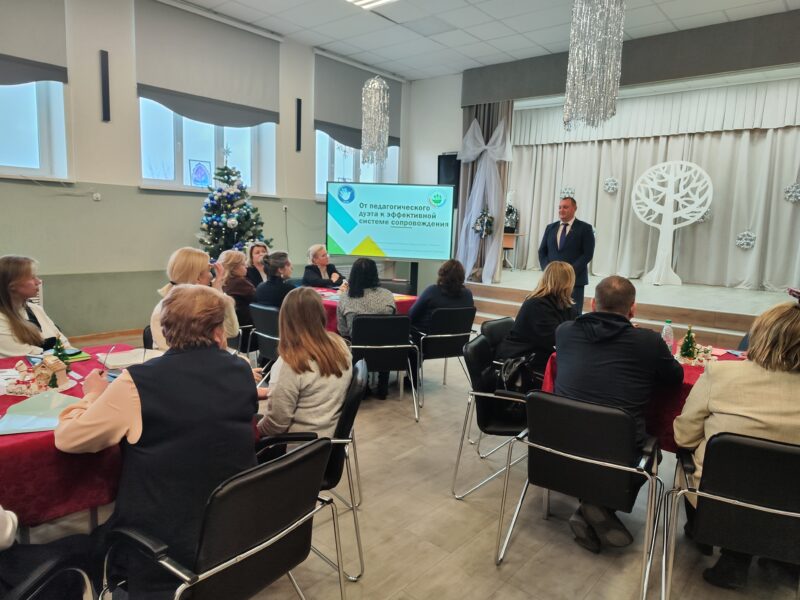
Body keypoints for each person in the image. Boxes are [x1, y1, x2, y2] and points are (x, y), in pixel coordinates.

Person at [54, 285, 258, 598]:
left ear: (163, 330)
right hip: (235, 526)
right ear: (219, 331)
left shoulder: (137, 383)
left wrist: (92, 395)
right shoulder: (241, 369)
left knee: (78, 544)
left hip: (164, 543)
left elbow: (69, 439)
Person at [674, 300, 800, 590]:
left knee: (714, 468)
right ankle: (779, 556)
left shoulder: (721, 374)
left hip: (719, 499)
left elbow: (684, 437)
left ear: (760, 334)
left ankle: (731, 555)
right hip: (792, 509)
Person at [554, 275, 683, 553]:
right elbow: (675, 378)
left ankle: (589, 509)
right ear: (633, 309)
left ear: (592, 303)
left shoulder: (564, 331)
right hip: (618, 453)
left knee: (601, 433)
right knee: (651, 451)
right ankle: (598, 505)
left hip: (561, 443)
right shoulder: (648, 342)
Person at [257, 287, 351, 439]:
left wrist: (254, 431)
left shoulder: (290, 363)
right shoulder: (341, 345)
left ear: (285, 319)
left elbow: (276, 425)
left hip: (299, 446)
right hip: (329, 437)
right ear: (321, 314)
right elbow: (315, 388)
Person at [496, 261, 577, 385]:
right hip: (521, 359)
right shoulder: (536, 304)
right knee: (572, 373)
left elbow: (573, 329)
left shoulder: (564, 304)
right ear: (566, 282)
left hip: (536, 352)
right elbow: (555, 338)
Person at [150, 247, 238, 350]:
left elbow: (231, 331)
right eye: (209, 270)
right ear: (198, 278)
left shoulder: (201, 302)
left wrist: (218, 291)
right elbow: (170, 353)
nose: (211, 276)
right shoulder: (164, 311)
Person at [407, 259, 474, 384]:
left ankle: (411, 377)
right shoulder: (468, 295)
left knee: (406, 333)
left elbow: (411, 316)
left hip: (427, 344)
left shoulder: (432, 291)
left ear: (442, 274)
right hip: (456, 344)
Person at [337, 258, 396, 398]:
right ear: (375, 274)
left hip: (358, 349)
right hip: (386, 348)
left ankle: (363, 385)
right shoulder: (387, 295)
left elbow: (343, 330)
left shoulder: (345, 298)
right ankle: (383, 386)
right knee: (385, 337)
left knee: (348, 340)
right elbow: (394, 321)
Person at [0, 256, 71, 358]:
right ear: (12, 286)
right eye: (32, 277)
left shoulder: (35, 309)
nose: (38, 281)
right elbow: (28, 356)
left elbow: (63, 344)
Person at [538, 196, 595, 314]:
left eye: (565, 207)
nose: (561, 210)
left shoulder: (585, 228)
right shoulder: (550, 228)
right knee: (551, 313)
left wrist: (568, 272)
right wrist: (548, 271)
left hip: (574, 280)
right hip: (551, 281)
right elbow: (542, 251)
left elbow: (587, 254)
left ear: (574, 208)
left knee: (573, 314)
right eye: (559, 207)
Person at [218, 249, 256, 327]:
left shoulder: (221, 281)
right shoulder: (240, 282)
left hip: (233, 324)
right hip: (247, 325)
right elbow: (258, 299)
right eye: (243, 264)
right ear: (233, 268)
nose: (246, 266)